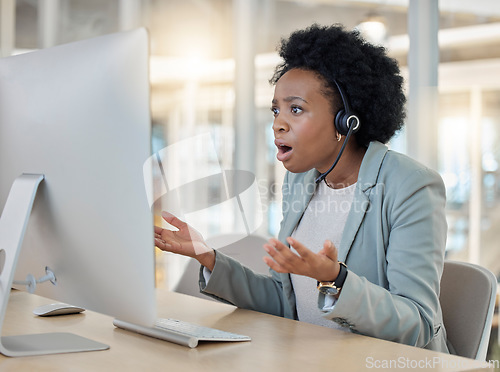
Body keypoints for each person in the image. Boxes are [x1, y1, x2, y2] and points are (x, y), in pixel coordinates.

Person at [154, 23, 451, 353]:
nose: (278, 123)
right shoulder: (301, 180)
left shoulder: (409, 185)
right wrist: (209, 257)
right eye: (276, 109)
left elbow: (419, 327)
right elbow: (286, 300)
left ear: (346, 121)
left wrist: (335, 279)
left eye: (296, 109)